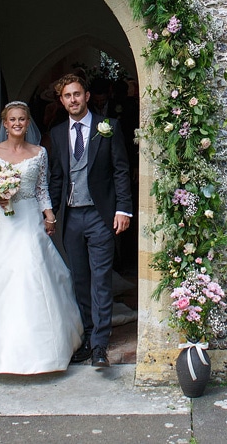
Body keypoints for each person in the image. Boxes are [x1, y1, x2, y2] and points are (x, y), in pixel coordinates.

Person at [0, 101, 83, 376]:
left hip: (29, 220)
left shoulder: (39, 153)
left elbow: (41, 190)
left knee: (32, 273)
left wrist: (49, 216)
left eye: (22, 119)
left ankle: (44, 353)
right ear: (5, 123)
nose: (17, 123)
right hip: (2, 222)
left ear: (28, 123)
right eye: (12, 119)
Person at [48, 74, 133, 369]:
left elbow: (121, 170)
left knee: (100, 279)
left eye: (77, 94)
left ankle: (100, 345)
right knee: (80, 280)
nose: (73, 100)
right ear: (62, 101)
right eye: (67, 96)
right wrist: (50, 213)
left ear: (86, 96)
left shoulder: (107, 128)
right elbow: (57, 176)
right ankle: (86, 336)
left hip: (100, 215)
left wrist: (123, 210)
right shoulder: (58, 133)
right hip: (72, 216)